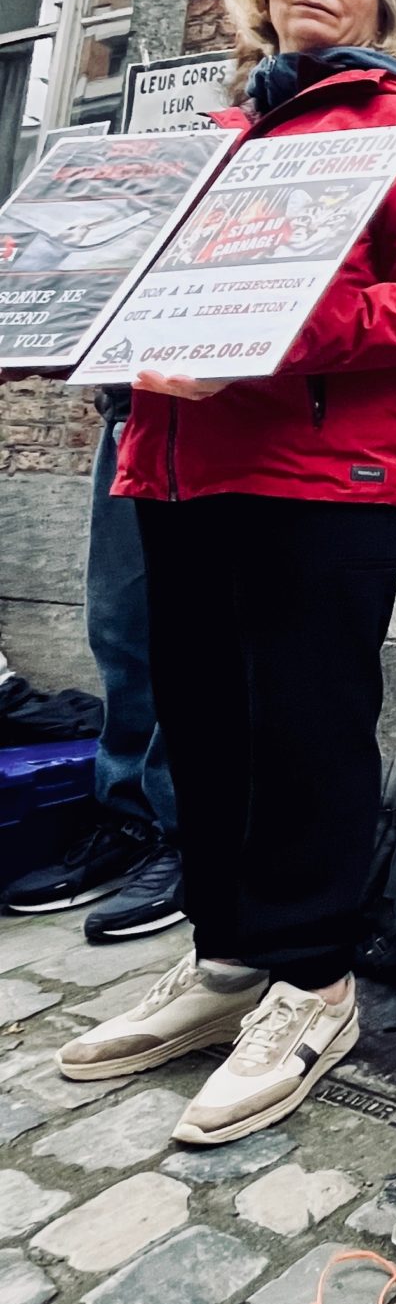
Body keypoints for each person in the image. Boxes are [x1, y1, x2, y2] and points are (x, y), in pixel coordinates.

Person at [59, 0, 396, 1145]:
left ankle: (313, 984)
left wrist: (263, 330)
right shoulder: (212, 139)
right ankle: (229, 959)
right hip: (174, 472)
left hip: (319, 477)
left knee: (305, 733)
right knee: (202, 726)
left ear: (381, 2)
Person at [0, 384, 183, 941]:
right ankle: (131, 818)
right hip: (134, 411)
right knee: (119, 627)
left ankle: (189, 836)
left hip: (225, 421)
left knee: (195, 640)